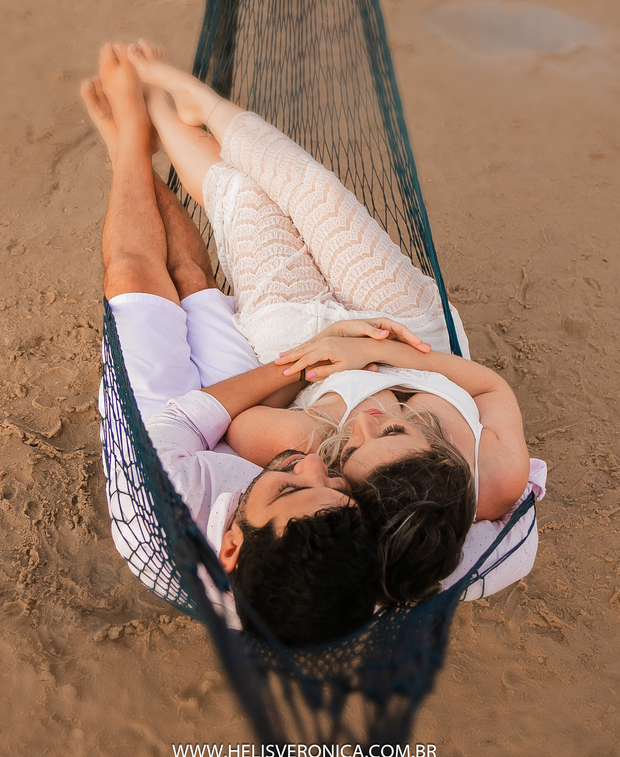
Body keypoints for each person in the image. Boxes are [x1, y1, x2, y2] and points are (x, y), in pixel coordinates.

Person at [124, 41, 547, 605]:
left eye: (354, 448)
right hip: (407, 330)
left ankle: (153, 109)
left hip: (298, 340)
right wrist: (384, 355)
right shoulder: (493, 477)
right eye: (397, 428)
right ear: (446, 455)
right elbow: (491, 385)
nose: (369, 418)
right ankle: (203, 103)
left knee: (244, 202)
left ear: (347, 487)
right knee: (316, 190)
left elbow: (242, 421)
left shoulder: (315, 451)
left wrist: (317, 362)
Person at [84, 45, 381, 647]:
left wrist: (295, 361)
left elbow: (188, 416)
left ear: (230, 547)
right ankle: (132, 144)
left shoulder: (158, 501)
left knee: (136, 275)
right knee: (197, 286)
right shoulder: (335, 573)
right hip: (239, 436)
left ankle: (128, 144)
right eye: (338, 490)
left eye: (294, 488)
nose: (318, 468)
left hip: (158, 429)